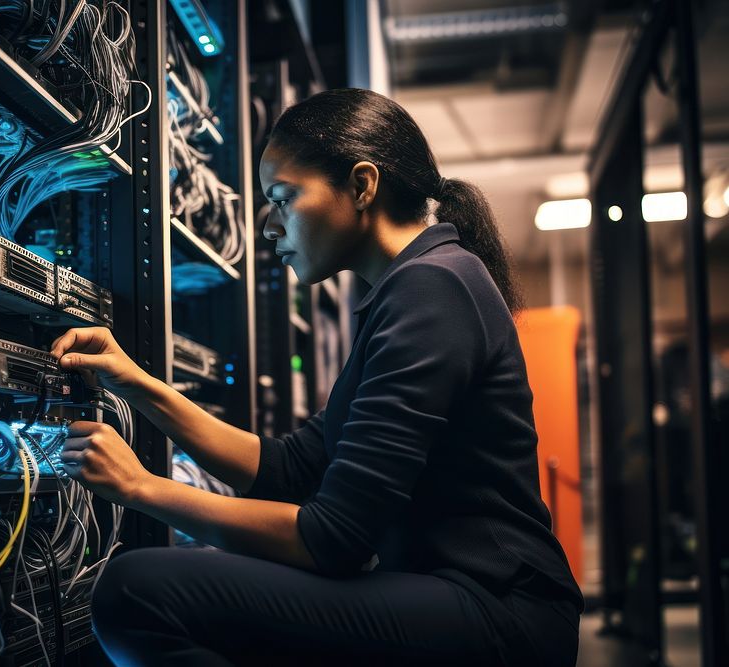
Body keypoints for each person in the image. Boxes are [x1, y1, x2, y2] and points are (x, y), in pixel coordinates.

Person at [51, 88, 583, 666]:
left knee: (137, 593)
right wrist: (137, 382)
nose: (270, 227)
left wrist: (141, 488)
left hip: (498, 611)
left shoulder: (435, 288)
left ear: (361, 185)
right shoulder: (415, 288)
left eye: (283, 199)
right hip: (466, 598)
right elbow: (291, 467)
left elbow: (332, 540)